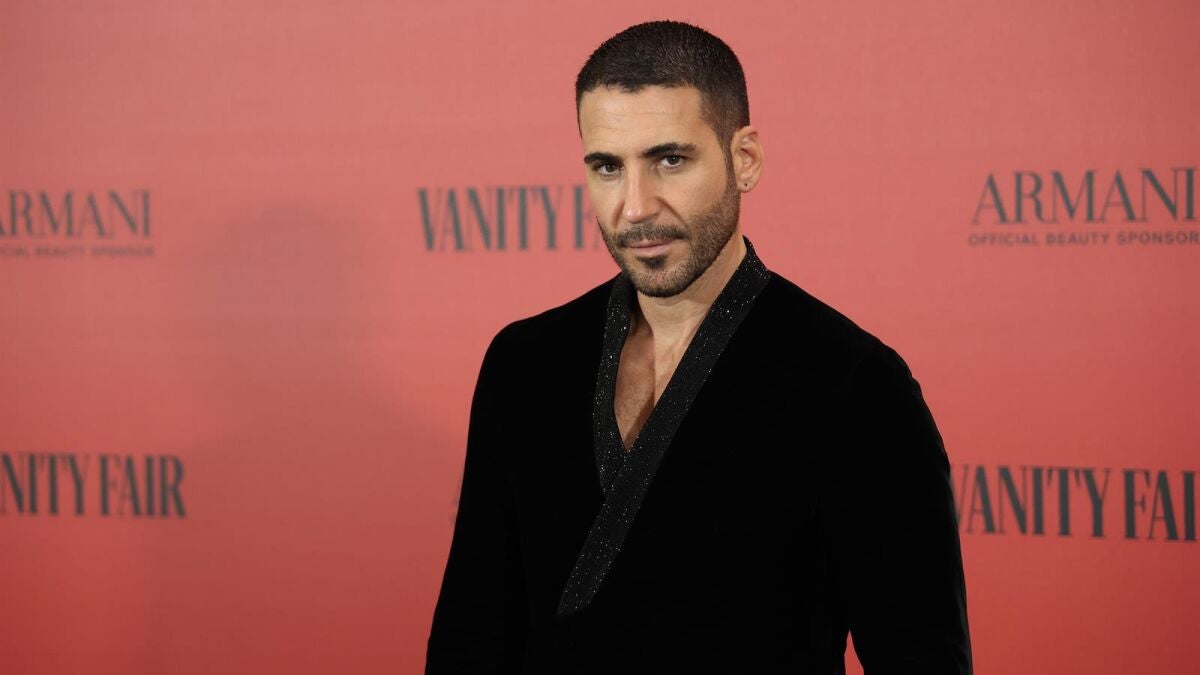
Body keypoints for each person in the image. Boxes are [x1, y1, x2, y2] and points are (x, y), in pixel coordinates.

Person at [426, 20, 972, 674]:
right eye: (608, 167)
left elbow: (921, 657)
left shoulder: (853, 384)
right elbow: (471, 638)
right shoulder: (525, 364)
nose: (635, 207)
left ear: (745, 159)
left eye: (670, 160)